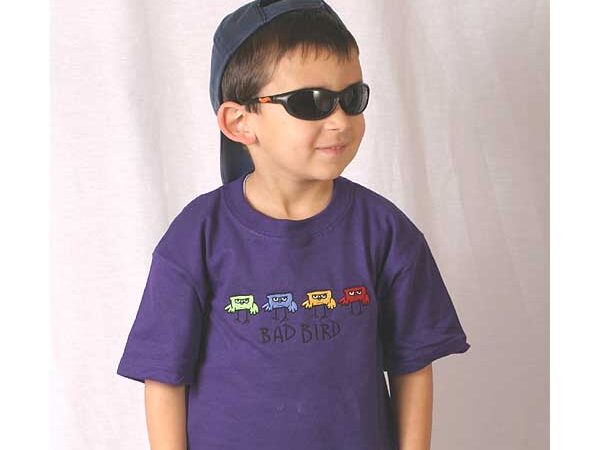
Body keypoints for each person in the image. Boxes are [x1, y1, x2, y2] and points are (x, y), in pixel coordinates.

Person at [116, 1, 471, 449]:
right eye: (310, 102)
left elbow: (412, 366)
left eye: (352, 98)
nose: (340, 121)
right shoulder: (196, 238)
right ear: (240, 122)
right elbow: (164, 377)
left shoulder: (386, 233)